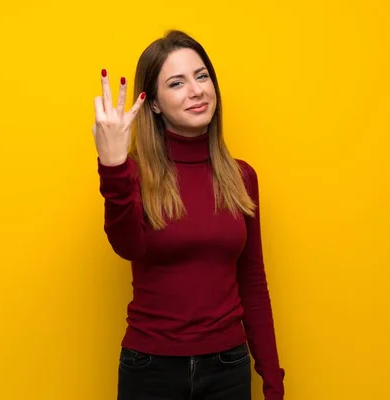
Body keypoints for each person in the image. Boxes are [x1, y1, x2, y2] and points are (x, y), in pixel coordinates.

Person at [92, 29, 285, 400]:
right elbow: (127, 246)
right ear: (154, 104)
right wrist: (113, 167)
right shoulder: (133, 174)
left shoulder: (241, 176)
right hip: (150, 369)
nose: (196, 90)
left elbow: (254, 284)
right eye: (176, 83)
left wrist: (273, 382)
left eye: (202, 76)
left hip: (228, 368)